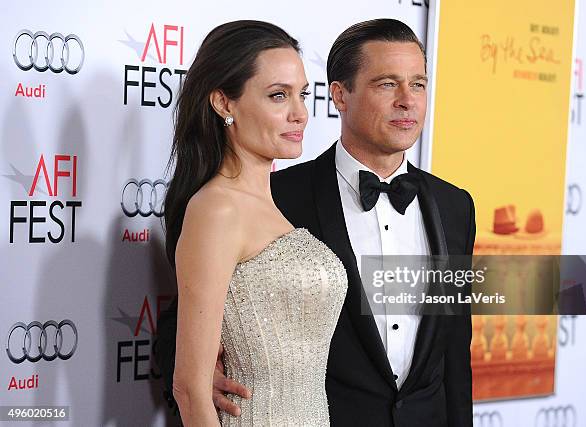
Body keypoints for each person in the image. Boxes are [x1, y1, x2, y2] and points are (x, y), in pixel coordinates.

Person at [157, 18, 476, 426]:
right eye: (386, 84)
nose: (407, 101)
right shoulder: (278, 196)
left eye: (418, 84)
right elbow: (187, 322)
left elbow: (454, 351)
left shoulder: (455, 207)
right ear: (340, 95)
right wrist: (203, 380)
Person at [163, 20, 348, 426]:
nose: (299, 113)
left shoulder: (274, 204)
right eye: (278, 96)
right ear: (224, 103)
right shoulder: (216, 209)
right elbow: (191, 388)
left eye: (302, 94)